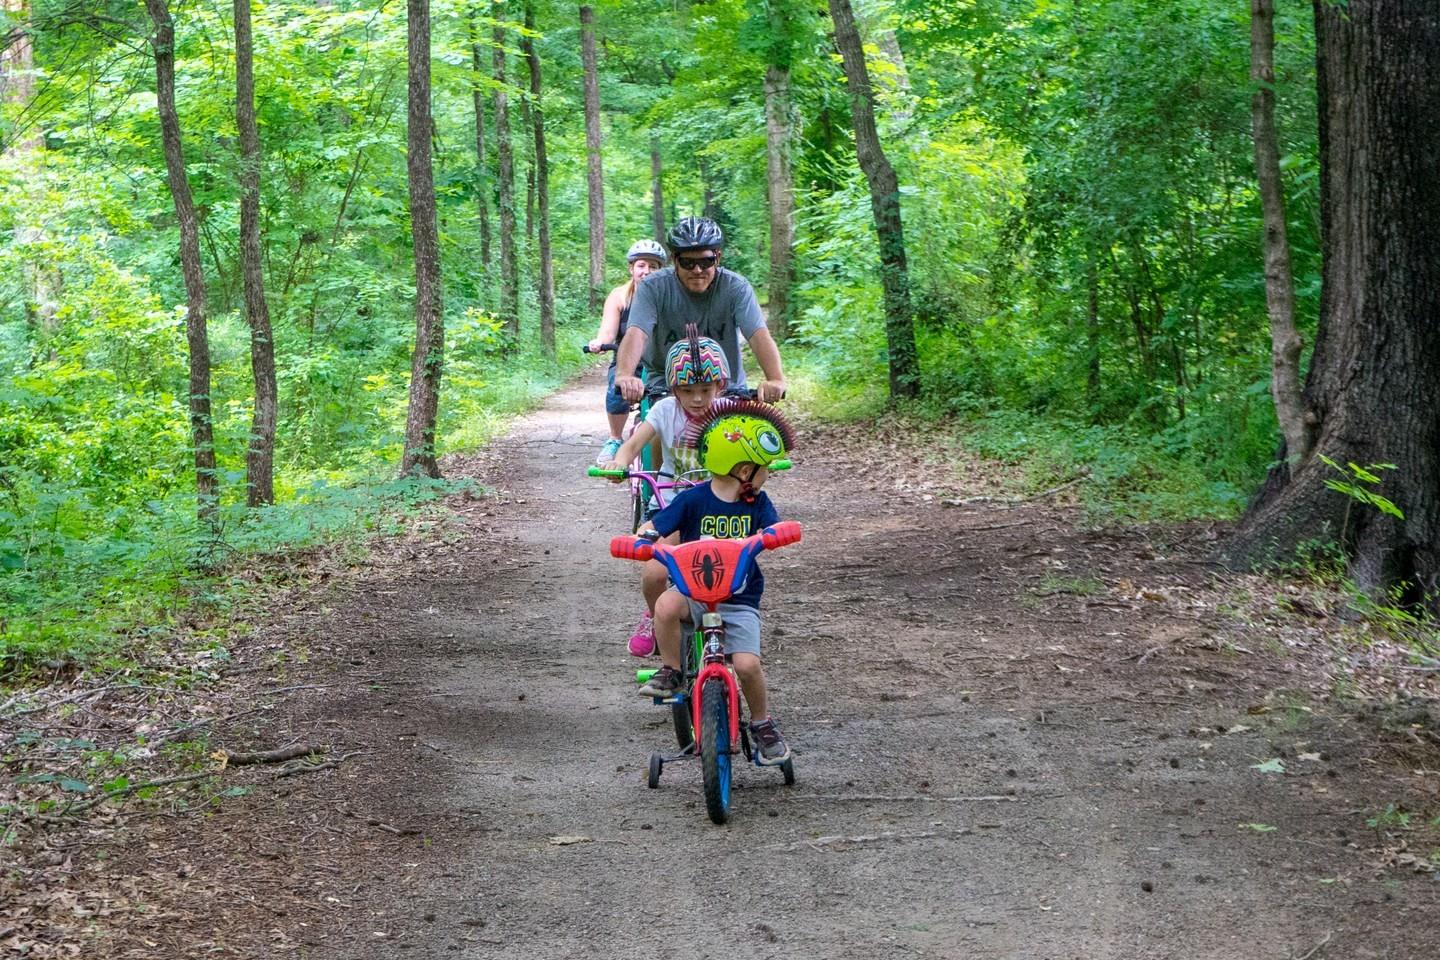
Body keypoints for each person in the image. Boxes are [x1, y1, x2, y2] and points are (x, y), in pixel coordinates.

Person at [635, 402, 797, 764]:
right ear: (743, 470)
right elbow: (659, 524)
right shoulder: (694, 499)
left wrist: (775, 534)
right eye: (763, 469)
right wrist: (645, 535)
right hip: (694, 592)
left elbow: (772, 527)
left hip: (738, 600)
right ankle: (673, 671)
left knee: (747, 665)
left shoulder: (758, 503)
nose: (766, 476)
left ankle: (762, 724)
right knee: (664, 604)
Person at [602, 328, 731, 656]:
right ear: (674, 389)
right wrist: (619, 464)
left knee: (732, 571)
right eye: (687, 391)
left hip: (722, 509)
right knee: (653, 572)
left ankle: (734, 622)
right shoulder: (664, 411)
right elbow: (632, 446)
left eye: (706, 389)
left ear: (721, 385)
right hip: (674, 506)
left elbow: (757, 447)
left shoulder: (731, 413)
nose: (698, 399)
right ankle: (655, 614)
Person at [613, 216, 786, 408]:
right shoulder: (653, 288)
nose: (697, 270)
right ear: (675, 260)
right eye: (688, 262)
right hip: (668, 387)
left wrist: (775, 379)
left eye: (706, 262)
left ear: (717, 258)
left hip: (725, 388)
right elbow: (637, 333)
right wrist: (625, 375)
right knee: (664, 430)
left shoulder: (735, 287)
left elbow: (757, 334)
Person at [589, 238, 667, 462]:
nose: (647, 271)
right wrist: (599, 342)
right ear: (631, 268)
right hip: (629, 362)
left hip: (661, 362)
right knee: (617, 388)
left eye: (653, 266)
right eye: (642, 265)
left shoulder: (668, 296)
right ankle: (615, 438)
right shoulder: (620, 296)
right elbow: (608, 331)